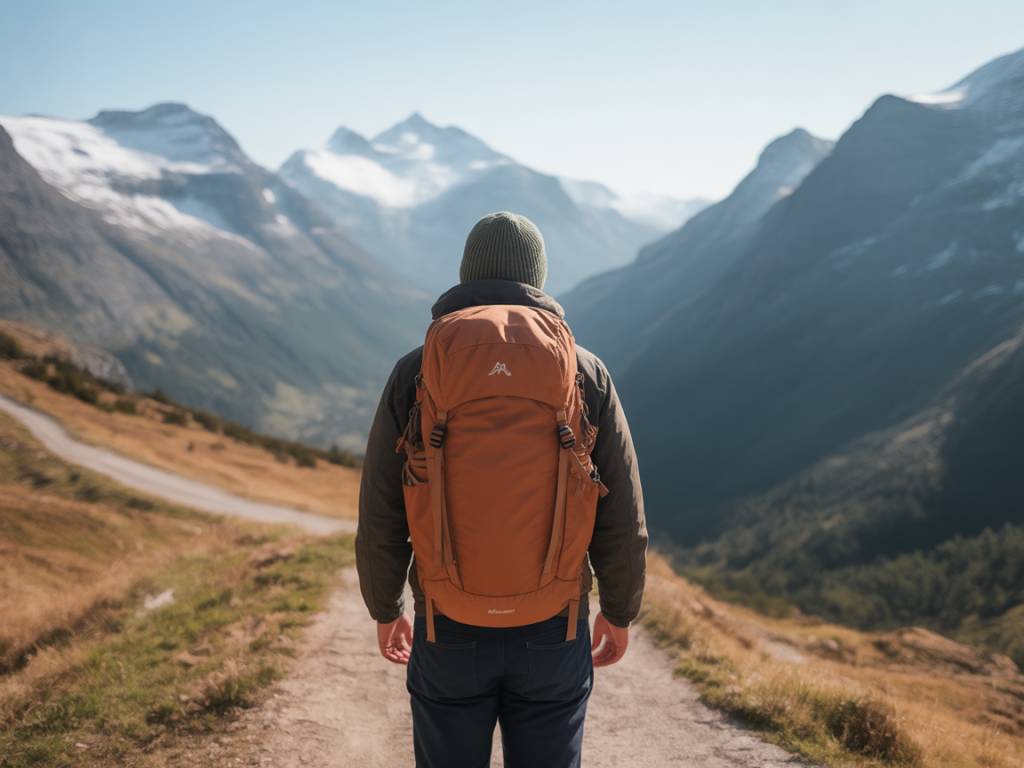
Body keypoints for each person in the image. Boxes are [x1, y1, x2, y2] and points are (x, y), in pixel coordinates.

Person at [356, 211, 647, 768]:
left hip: (448, 624)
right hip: (554, 625)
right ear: (538, 280)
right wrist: (619, 608)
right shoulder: (584, 372)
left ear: (467, 274)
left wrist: (385, 605)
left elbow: (382, 507)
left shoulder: (416, 371)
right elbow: (621, 509)